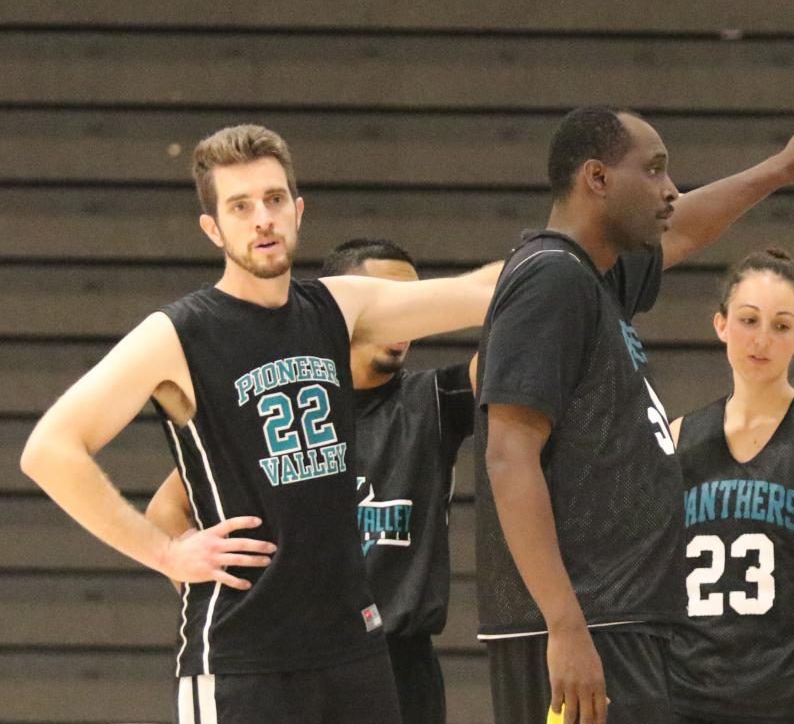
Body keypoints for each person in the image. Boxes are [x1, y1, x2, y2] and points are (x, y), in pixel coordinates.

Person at [19, 124, 504, 723]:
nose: (262, 219)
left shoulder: (338, 306)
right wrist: (166, 553)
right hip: (244, 659)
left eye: (274, 200)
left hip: (354, 649)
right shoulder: (178, 333)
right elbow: (49, 449)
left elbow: (474, 294)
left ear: (298, 211)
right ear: (213, 228)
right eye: (240, 206)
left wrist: (567, 252)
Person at [476, 107, 794, 724]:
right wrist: (565, 624)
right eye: (654, 171)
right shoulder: (551, 279)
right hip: (586, 629)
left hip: (621, 626)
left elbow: (680, 233)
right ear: (597, 179)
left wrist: (785, 167)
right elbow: (507, 454)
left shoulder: (592, 280)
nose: (670, 189)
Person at [145, 238, 479, 724]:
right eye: (391, 300)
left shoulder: (434, 398)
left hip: (400, 660)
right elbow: (165, 509)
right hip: (298, 655)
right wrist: (221, 594)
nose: (406, 316)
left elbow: (516, 348)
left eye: (415, 301)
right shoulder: (285, 403)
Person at [665, 248, 794, 724]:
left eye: (780, 326)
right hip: (692, 698)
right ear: (720, 324)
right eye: (748, 320)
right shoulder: (679, 437)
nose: (762, 339)